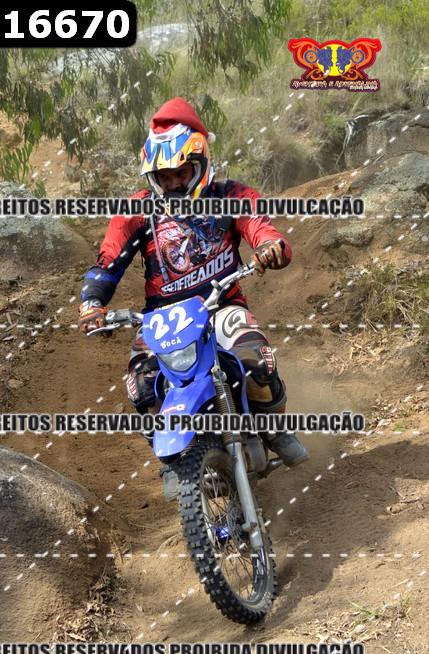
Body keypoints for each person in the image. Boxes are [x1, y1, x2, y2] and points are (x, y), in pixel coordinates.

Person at [79, 97, 309, 496]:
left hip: (221, 305)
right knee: (142, 386)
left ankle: (273, 429)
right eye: (163, 176)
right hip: (163, 318)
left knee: (255, 363)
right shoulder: (136, 211)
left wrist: (270, 247)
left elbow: (262, 228)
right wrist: (92, 303)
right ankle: (172, 460)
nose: (172, 183)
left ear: (200, 165)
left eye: (180, 173)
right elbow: (108, 262)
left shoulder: (231, 196)